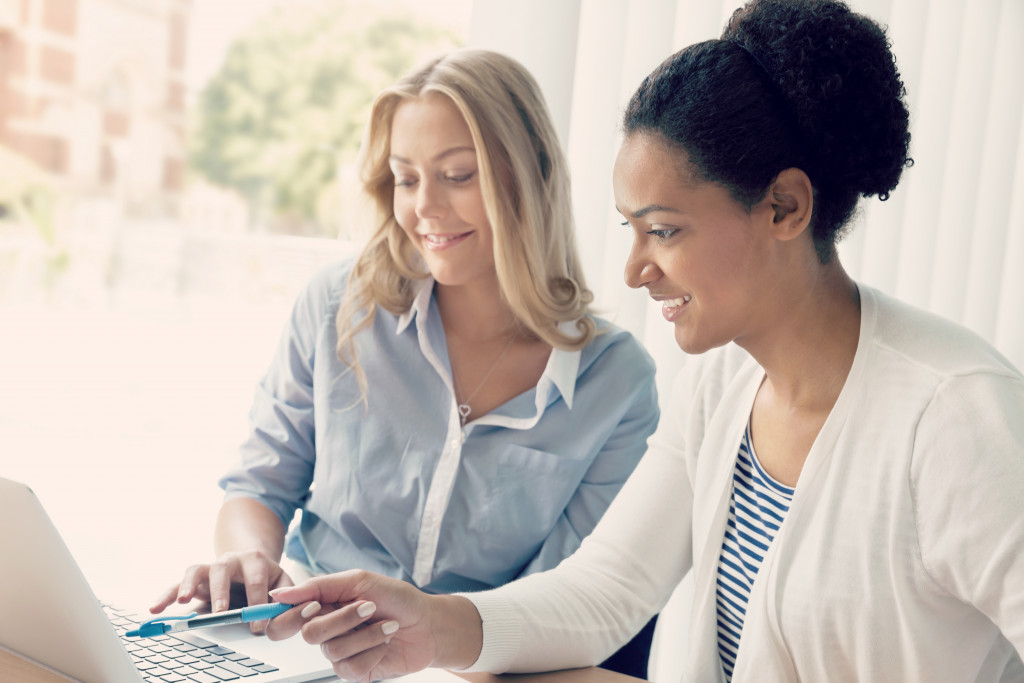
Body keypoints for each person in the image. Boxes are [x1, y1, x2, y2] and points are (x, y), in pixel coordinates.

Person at [258, 1, 1024, 681]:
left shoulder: (953, 414)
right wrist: (426, 626)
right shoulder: (722, 385)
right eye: (630, 230)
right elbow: (606, 590)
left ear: (784, 207)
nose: (633, 269)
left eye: (663, 230)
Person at [149, 49, 661, 677]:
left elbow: (562, 605)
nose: (424, 209)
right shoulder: (340, 304)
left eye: (457, 175)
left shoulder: (617, 384)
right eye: (406, 177)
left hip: (474, 669)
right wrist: (250, 560)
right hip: (308, 650)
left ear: (529, 176)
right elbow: (259, 484)